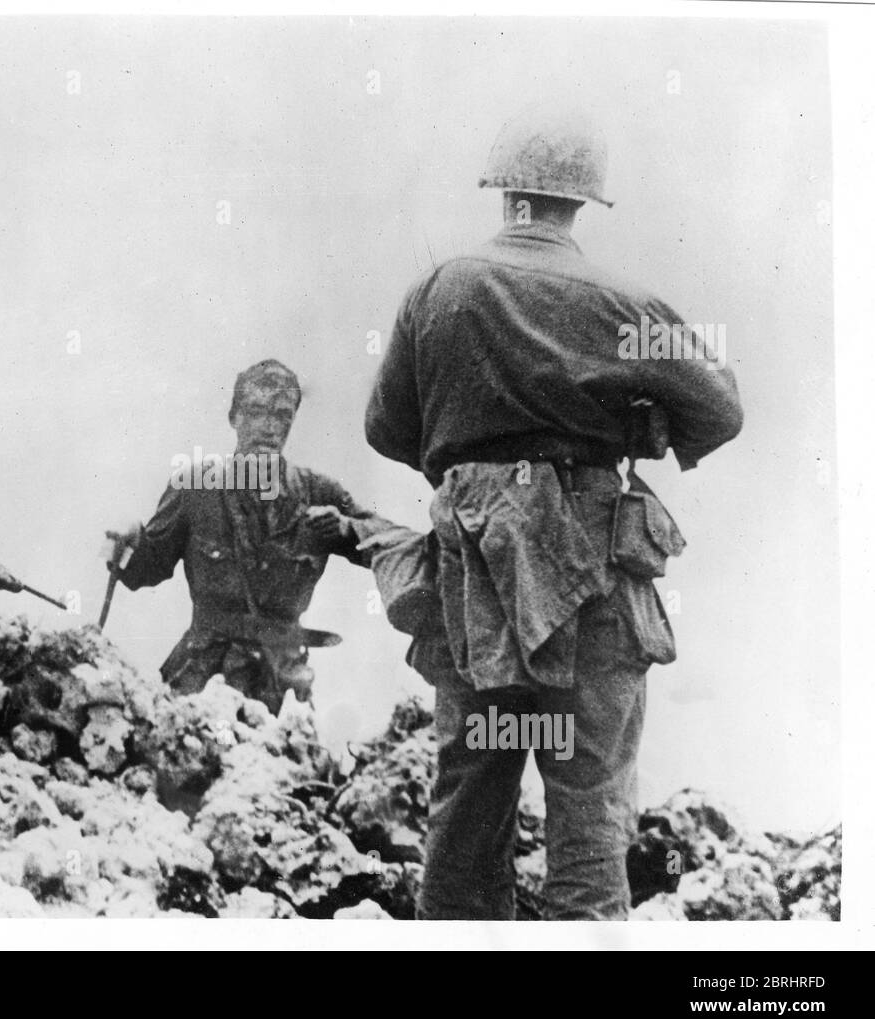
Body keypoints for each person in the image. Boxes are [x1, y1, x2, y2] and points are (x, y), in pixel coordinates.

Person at [365, 104, 743, 920]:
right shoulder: (625, 305)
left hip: (476, 583)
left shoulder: (438, 289)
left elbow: (386, 428)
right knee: (588, 806)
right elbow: (719, 409)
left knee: (469, 802)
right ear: (582, 202)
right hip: (592, 579)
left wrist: (473, 458)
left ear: (506, 193)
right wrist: (637, 425)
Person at [107, 359, 391, 716]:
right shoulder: (195, 486)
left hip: (279, 686)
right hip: (200, 678)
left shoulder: (319, 492)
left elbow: (391, 542)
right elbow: (145, 570)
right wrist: (132, 539)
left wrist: (347, 529)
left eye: (281, 415)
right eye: (256, 412)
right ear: (234, 417)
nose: (269, 427)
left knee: (287, 752)